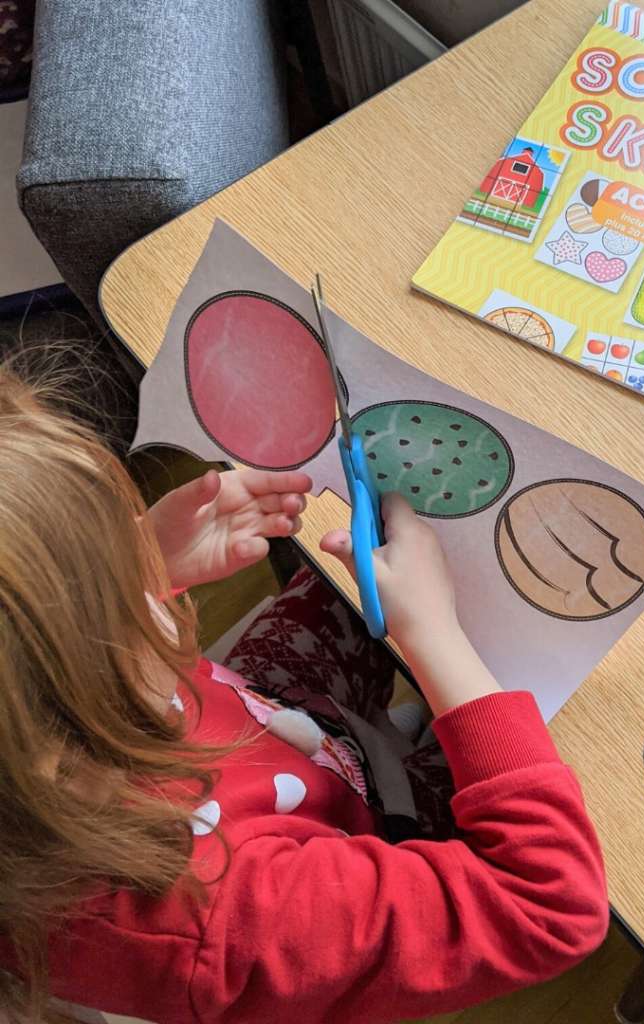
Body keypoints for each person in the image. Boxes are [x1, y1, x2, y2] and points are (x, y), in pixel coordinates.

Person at [0, 364, 608, 1024]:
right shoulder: (217, 924)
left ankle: (392, 728)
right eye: (127, 603)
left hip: (271, 738)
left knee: (356, 589)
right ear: (60, 734)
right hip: (371, 833)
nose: (150, 593)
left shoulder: (44, 743)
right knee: (590, 743)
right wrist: (433, 635)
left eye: (121, 538)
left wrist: (150, 563)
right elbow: (551, 905)